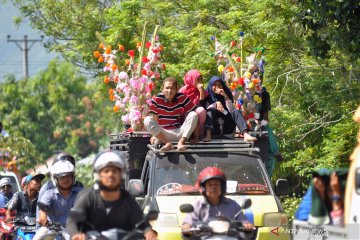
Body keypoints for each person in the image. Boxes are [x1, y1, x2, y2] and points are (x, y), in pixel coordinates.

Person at [66, 150, 157, 240]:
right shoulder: (87, 197)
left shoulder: (127, 199)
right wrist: (76, 234)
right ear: (98, 174)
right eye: (106, 171)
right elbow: (72, 221)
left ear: (121, 174)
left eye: (114, 171)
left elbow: (141, 223)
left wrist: (149, 232)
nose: (110, 174)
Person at [182, 167, 254, 238]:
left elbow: (243, 221)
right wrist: (186, 227)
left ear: (222, 186)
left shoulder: (233, 204)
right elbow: (187, 223)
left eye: (216, 184)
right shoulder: (198, 206)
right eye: (210, 184)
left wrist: (247, 225)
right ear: (204, 188)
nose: (213, 187)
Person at [144, 77, 199, 151]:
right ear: (163, 89)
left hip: (179, 133)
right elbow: (154, 119)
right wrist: (154, 135)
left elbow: (194, 115)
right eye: (167, 88)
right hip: (163, 135)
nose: (169, 91)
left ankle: (181, 143)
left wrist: (196, 137)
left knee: (193, 114)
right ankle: (168, 144)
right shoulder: (156, 99)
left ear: (176, 89)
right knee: (147, 120)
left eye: (172, 88)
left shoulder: (182, 97)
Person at [33, 160, 82, 240]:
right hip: (53, 230)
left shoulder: (80, 193)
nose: (66, 179)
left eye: (69, 176)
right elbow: (42, 210)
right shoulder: (49, 195)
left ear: (73, 177)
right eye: (62, 176)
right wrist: (43, 216)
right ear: (55, 179)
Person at [201, 76, 256, 142]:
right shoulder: (207, 95)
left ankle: (246, 134)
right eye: (214, 85)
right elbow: (205, 110)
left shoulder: (226, 93)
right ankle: (208, 135)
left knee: (235, 111)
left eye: (219, 85)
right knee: (210, 111)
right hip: (214, 126)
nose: (217, 87)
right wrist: (216, 104)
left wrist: (225, 96)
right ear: (210, 86)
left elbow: (230, 110)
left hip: (226, 125)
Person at [179, 69, 207, 140]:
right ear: (191, 79)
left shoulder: (201, 90)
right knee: (191, 114)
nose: (200, 82)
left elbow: (202, 105)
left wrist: (201, 92)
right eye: (197, 80)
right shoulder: (183, 90)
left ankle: (200, 134)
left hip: (196, 114)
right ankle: (189, 134)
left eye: (201, 80)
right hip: (186, 116)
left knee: (201, 111)